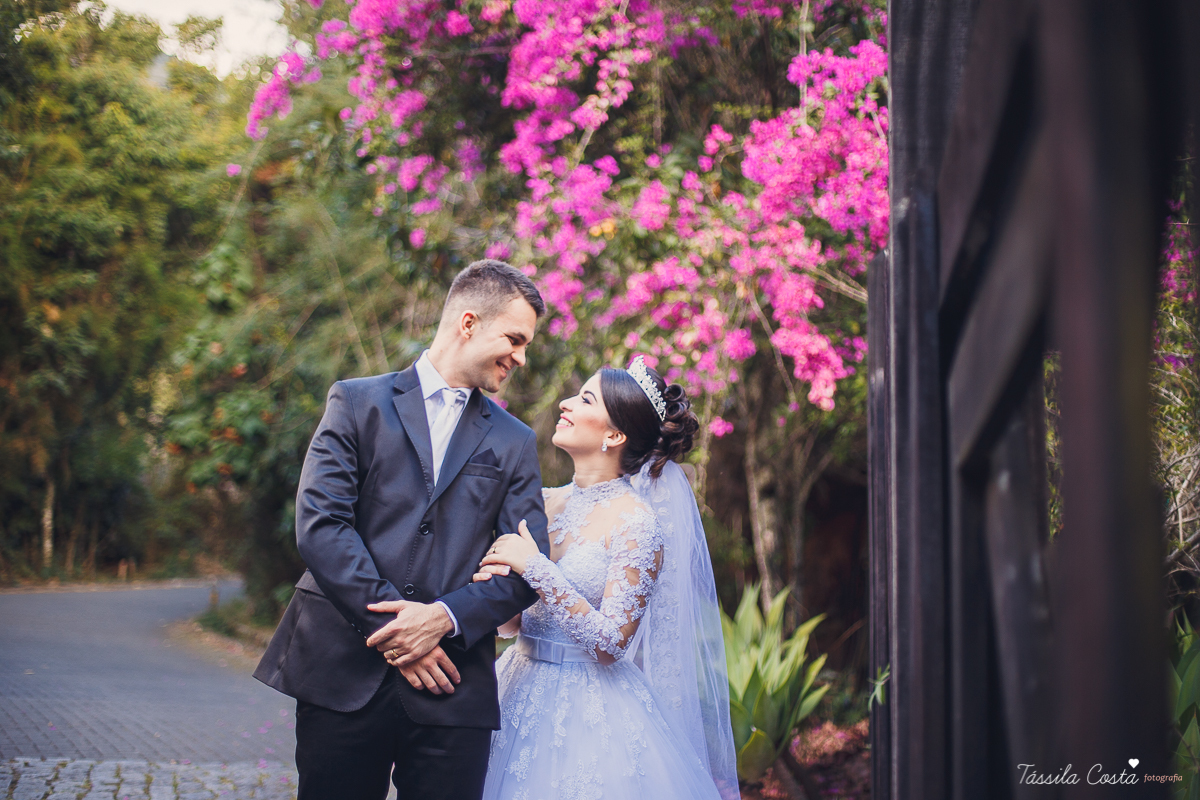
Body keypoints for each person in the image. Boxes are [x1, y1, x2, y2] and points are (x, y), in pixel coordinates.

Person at [253, 259, 552, 800]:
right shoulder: (355, 402)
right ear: (467, 323)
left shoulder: (514, 441)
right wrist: (401, 631)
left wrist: (441, 619)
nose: (521, 357)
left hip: (453, 684)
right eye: (514, 338)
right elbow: (321, 524)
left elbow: (526, 568)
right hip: (342, 668)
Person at [461, 356, 739, 800]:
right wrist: (496, 583)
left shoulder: (637, 522)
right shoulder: (542, 503)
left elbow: (612, 645)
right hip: (515, 685)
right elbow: (510, 626)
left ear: (614, 435)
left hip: (590, 707)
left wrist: (535, 568)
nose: (566, 403)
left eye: (585, 398)